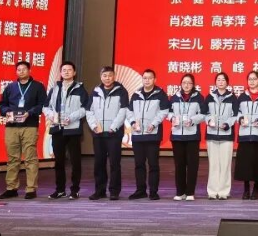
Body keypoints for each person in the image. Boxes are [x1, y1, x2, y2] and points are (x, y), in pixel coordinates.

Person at [0, 61, 47, 200]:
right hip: (12, 126)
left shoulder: (38, 86)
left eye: (24, 69)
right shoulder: (11, 87)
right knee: (12, 158)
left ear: (29, 70)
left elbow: (43, 104)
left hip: (29, 125)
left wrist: (29, 113)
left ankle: (31, 189)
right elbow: (2, 105)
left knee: (30, 158)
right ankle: (11, 188)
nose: (21, 71)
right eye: (18, 69)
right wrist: (7, 112)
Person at [42, 61, 88, 200]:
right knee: (59, 161)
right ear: (60, 73)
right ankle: (60, 190)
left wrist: (71, 118)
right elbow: (45, 107)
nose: (66, 72)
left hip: (73, 129)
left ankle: (75, 190)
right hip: (57, 128)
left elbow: (85, 108)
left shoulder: (80, 89)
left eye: (69, 70)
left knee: (75, 161)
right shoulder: (54, 88)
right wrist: (52, 115)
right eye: (64, 70)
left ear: (74, 72)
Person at [85, 66, 129, 200]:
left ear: (114, 76)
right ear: (101, 77)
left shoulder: (121, 91)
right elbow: (89, 111)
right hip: (98, 133)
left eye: (110, 75)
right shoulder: (95, 91)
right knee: (99, 163)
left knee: (114, 163)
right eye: (104, 76)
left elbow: (123, 110)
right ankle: (100, 190)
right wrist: (94, 126)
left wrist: (114, 127)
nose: (107, 78)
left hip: (114, 133)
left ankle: (114, 191)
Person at [127, 69, 170, 201]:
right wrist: (133, 122)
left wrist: (154, 123)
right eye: (145, 78)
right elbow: (129, 111)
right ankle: (140, 190)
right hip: (138, 134)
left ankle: (153, 191)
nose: (147, 80)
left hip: (152, 134)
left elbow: (164, 111)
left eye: (150, 78)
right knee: (139, 164)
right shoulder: (136, 94)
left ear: (154, 80)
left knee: (153, 164)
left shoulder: (160, 94)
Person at [235, 71, 258, 200]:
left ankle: (256, 189)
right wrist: (240, 119)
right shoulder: (242, 96)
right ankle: (246, 189)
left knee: (257, 163)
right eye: (250, 79)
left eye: (254, 79)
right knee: (245, 163)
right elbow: (237, 112)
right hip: (244, 134)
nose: (252, 81)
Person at [169, 74, 207, 201]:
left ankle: (190, 192)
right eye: (184, 82)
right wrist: (172, 118)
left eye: (189, 83)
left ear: (193, 85)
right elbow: (168, 112)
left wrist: (192, 120)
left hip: (192, 136)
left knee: (192, 165)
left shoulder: (199, 97)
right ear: (181, 84)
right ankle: (180, 192)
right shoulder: (174, 97)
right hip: (177, 135)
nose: (186, 85)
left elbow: (203, 114)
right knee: (179, 165)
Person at [204, 72, 237, 200]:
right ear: (215, 82)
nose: (221, 82)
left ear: (227, 82)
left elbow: (235, 115)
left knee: (225, 164)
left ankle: (224, 191)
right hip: (211, 134)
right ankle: (212, 191)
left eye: (223, 80)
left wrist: (228, 124)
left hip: (226, 135)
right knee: (213, 164)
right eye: (218, 80)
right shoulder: (209, 97)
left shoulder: (232, 97)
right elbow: (205, 114)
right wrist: (208, 121)